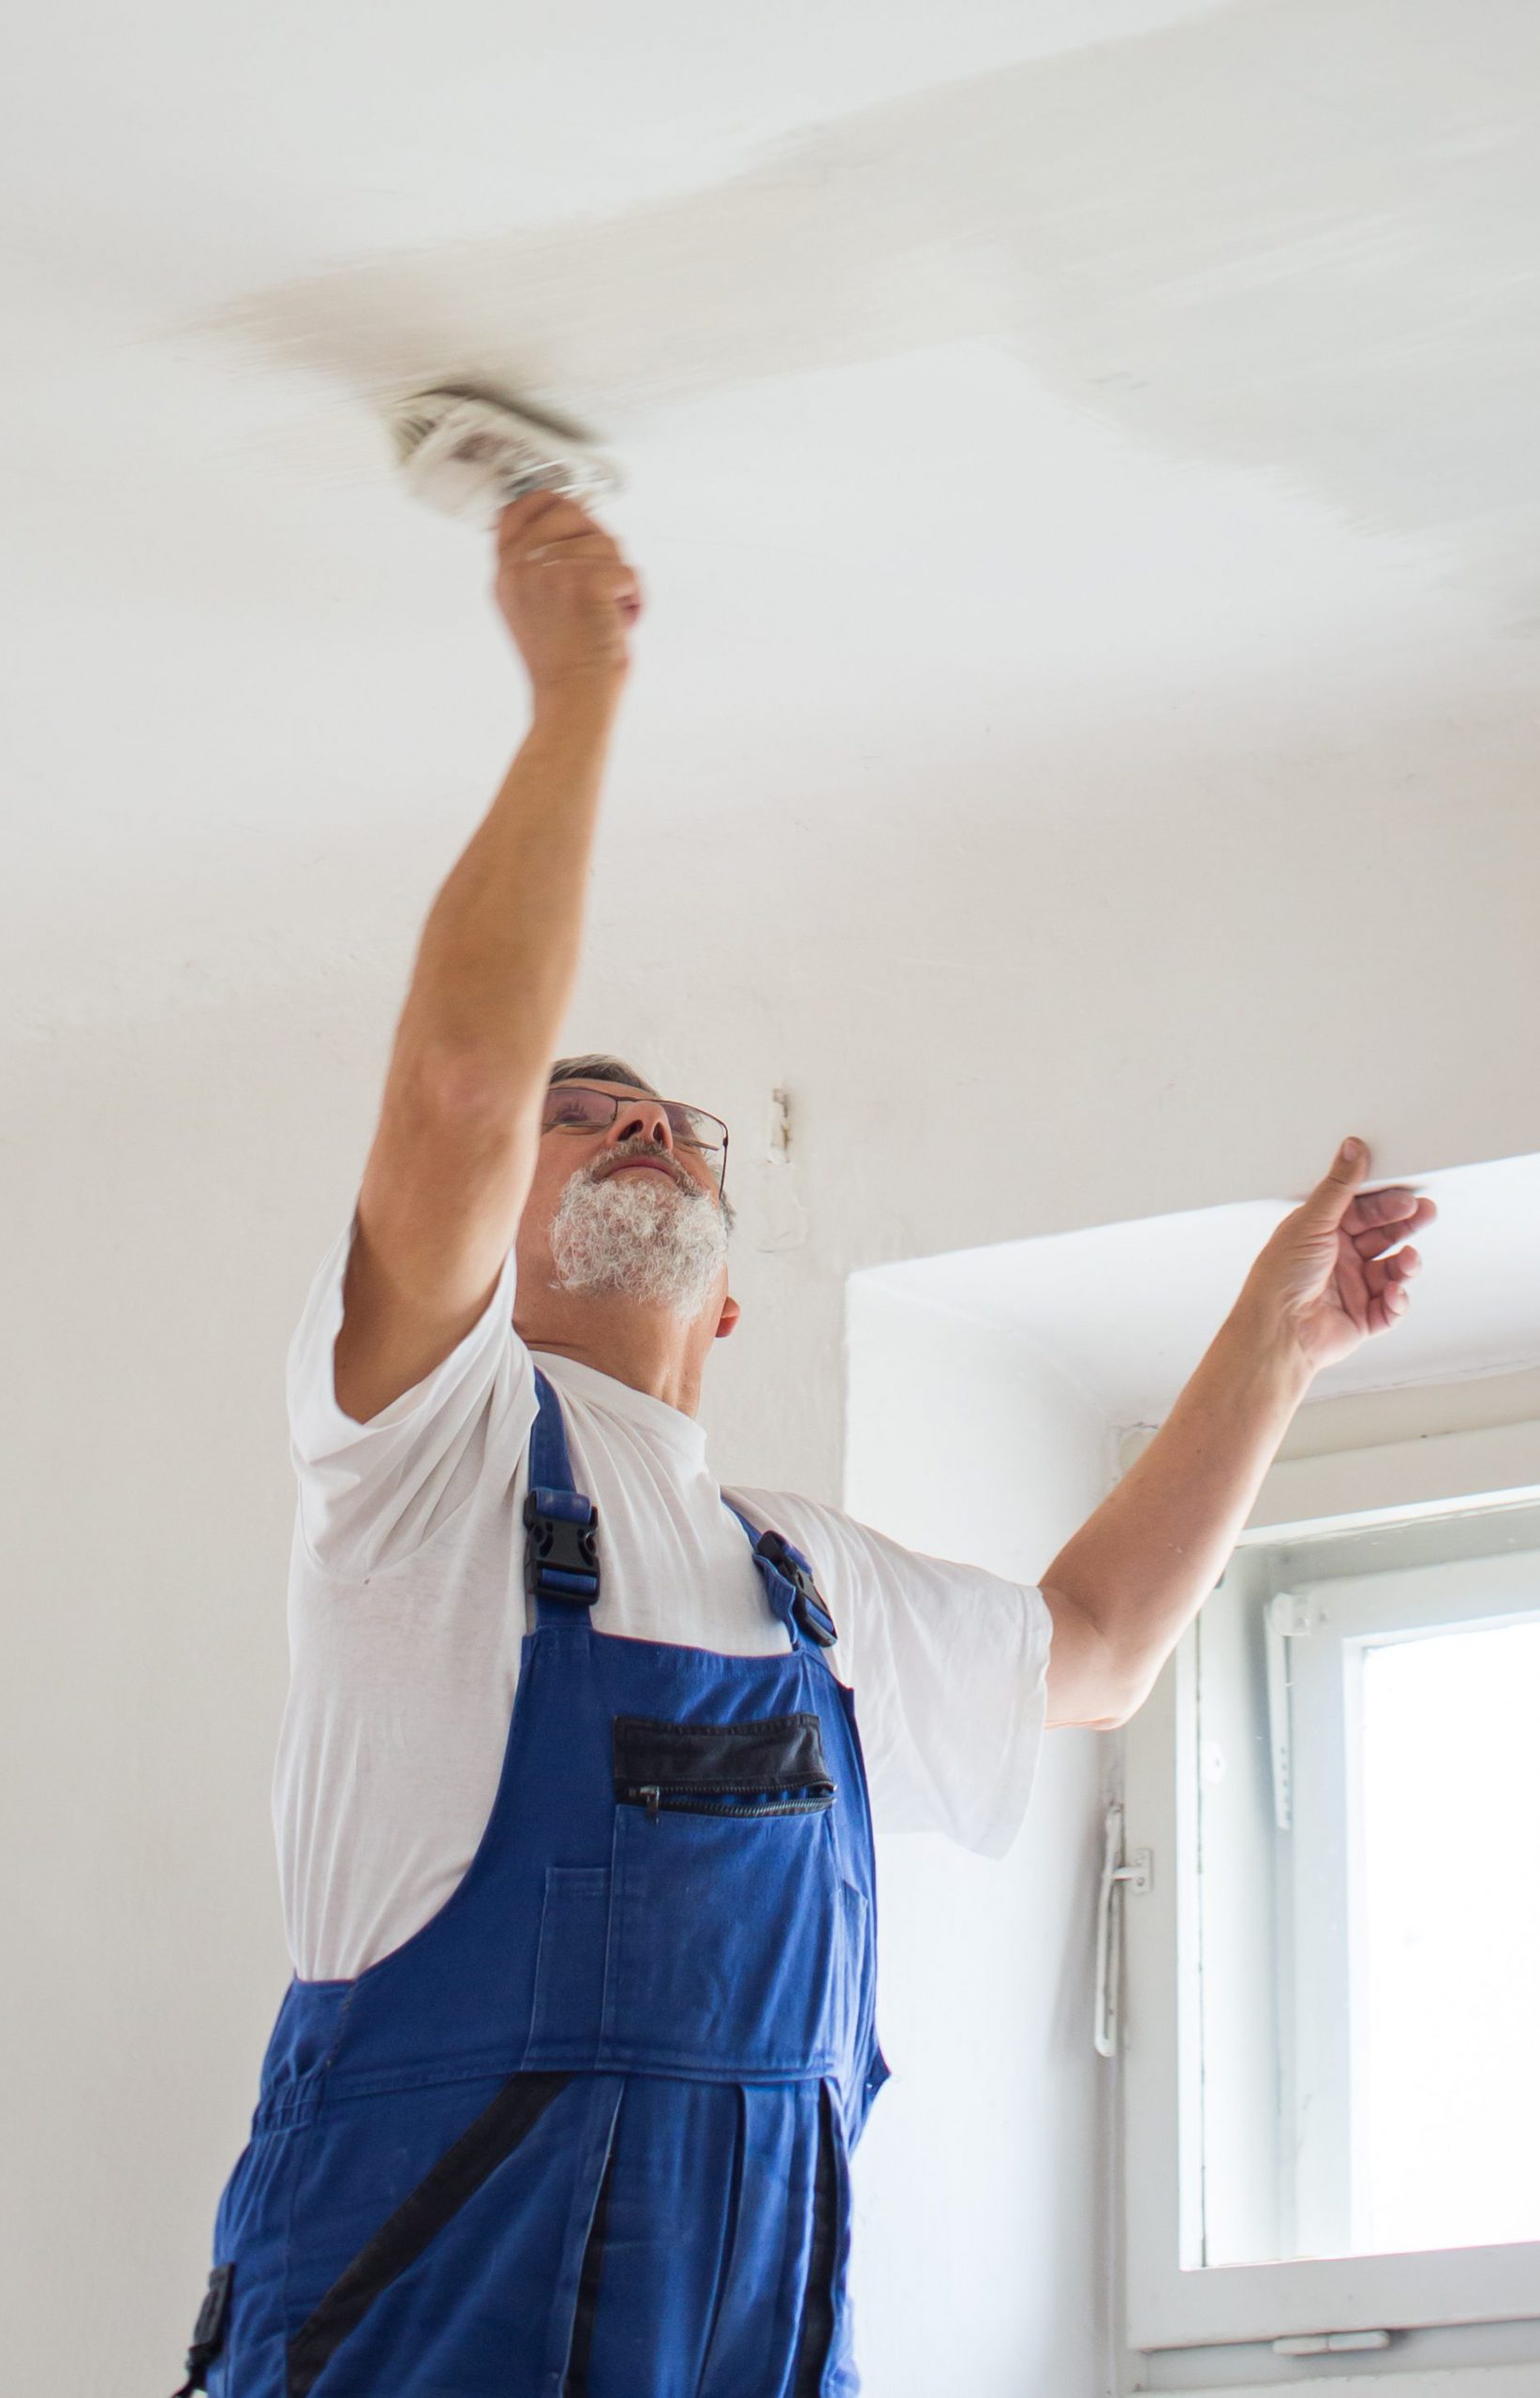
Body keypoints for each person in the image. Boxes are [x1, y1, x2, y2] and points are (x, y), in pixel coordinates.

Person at [172, 495, 1435, 2398]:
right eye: (580, 1112)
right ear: (477, 1247)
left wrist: (1275, 1341)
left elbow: (1090, 1645)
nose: (640, 1128)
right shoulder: (419, 1468)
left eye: (678, 1122)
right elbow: (452, 1081)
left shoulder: (808, 1589)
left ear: (729, 1298)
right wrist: (576, 694)